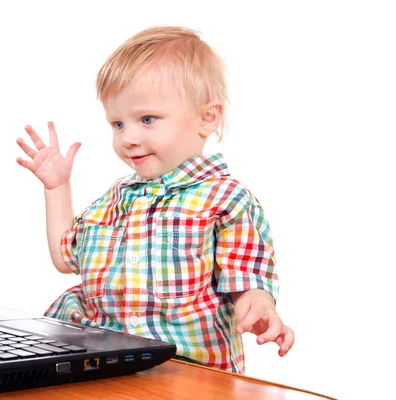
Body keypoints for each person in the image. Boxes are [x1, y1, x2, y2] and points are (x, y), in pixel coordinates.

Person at [16, 25, 294, 373]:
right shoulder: (116, 198)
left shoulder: (224, 198)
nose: (128, 138)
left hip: (186, 374)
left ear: (207, 118)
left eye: (147, 119)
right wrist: (57, 188)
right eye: (117, 124)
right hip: (102, 366)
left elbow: (248, 278)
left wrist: (257, 303)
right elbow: (65, 258)